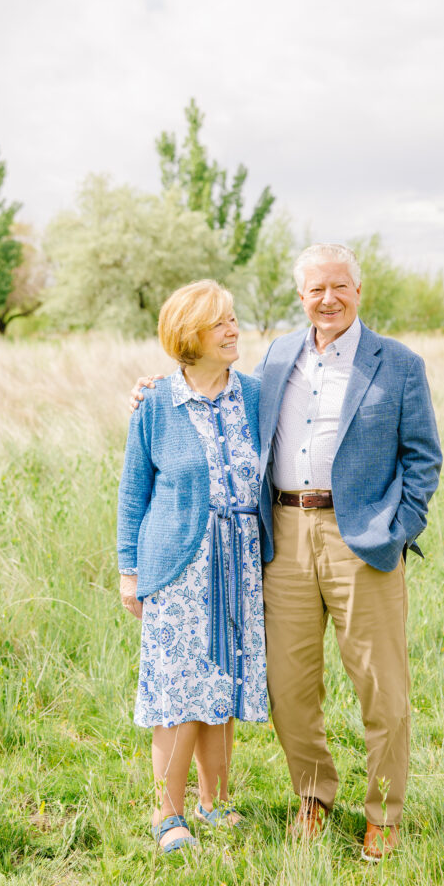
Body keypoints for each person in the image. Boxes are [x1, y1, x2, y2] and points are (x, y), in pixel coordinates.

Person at [132, 244, 441, 861]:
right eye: (314, 290)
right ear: (301, 297)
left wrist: (398, 528)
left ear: (358, 290)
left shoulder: (399, 364)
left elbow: (423, 459)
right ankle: (314, 795)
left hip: (364, 540)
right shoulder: (276, 360)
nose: (327, 299)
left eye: (338, 287)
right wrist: (152, 391)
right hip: (282, 535)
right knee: (289, 687)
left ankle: (383, 812)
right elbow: (200, 387)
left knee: (381, 685)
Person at [118, 279, 267, 854]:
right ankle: (168, 814)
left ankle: (215, 803)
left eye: (233, 318)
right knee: (177, 691)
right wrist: (128, 570)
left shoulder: (254, 396)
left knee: (221, 686)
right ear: (189, 336)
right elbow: (134, 492)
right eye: (220, 322)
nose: (234, 330)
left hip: (240, 564)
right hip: (179, 566)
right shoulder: (155, 404)